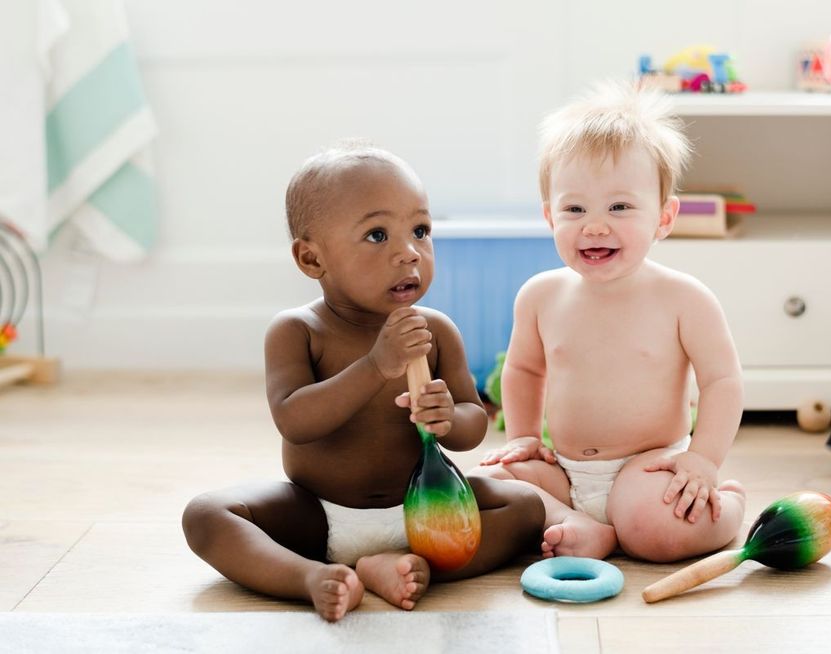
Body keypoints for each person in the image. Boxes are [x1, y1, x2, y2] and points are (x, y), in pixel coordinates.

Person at [182, 143, 544, 622]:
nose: (409, 252)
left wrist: (447, 419)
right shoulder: (297, 331)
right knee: (206, 515)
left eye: (421, 230)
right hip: (320, 513)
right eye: (377, 235)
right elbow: (295, 421)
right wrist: (376, 365)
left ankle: (413, 568)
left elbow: (472, 423)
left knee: (524, 506)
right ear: (312, 260)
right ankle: (309, 578)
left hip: (423, 510)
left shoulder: (435, 331)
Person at [473, 81, 746, 563]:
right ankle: (578, 523)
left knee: (654, 530)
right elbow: (524, 371)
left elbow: (722, 381)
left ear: (663, 218)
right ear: (548, 216)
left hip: (647, 469)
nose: (595, 225)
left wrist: (702, 459)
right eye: (574, 209)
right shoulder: (540, 295)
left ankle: (727, 505)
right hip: (562, 469)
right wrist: (523, 439)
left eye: (619, 207)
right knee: (481, 485)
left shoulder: (684, 298)